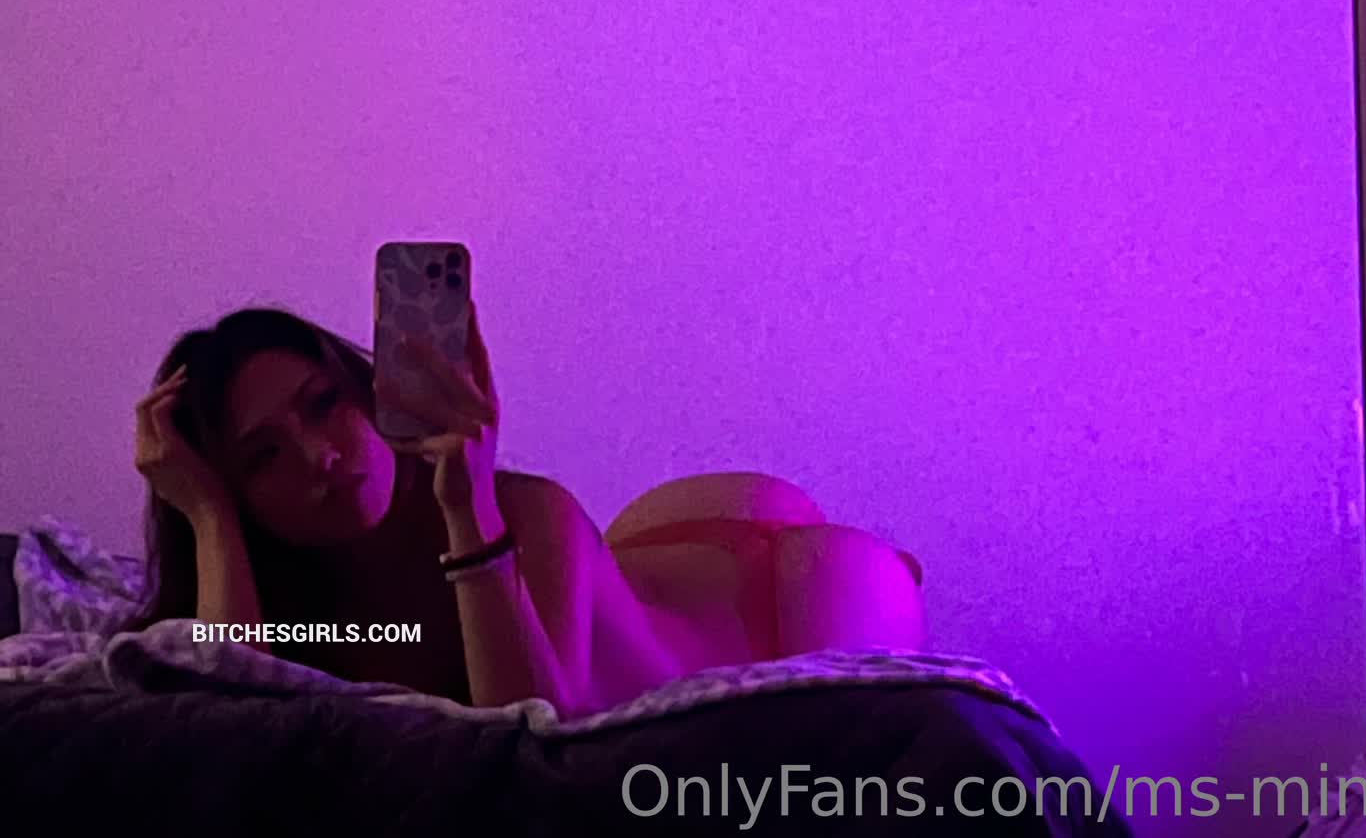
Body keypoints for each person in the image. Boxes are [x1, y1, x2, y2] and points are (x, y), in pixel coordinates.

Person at [121, 304, 927, 718]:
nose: (317, 457)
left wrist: (468, 508)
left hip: (790, 599)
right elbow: (230, 716)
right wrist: (207, 516)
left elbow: (529, 737)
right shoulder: (325, 617)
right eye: (262, 458)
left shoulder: (520, 511)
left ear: (364, 389)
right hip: (649, 555)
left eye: (323, 404)